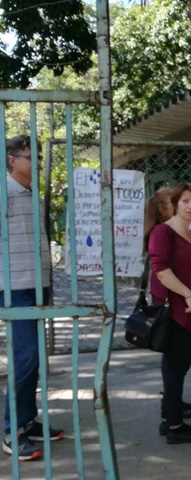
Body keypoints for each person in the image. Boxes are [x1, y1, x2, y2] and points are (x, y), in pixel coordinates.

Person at [1, 135, 61, 461]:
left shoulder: (30, 195)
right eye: (30, 157)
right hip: (13, 287)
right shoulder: (3, 193)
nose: (36, 163)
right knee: (25, 358)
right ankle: (12, 429)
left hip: (38, 284)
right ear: (12, 159)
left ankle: (28, 420)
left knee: (35, 358)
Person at [149, 183, 191, 444]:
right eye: (185, 201)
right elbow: (160, 269)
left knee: (179, 366)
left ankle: (170, 416)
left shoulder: (190, 233)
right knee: (175, 368)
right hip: (176, 310)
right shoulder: (163, 232)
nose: (190, 206)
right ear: (175, 204)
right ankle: (175, 427)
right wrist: (188, 293)